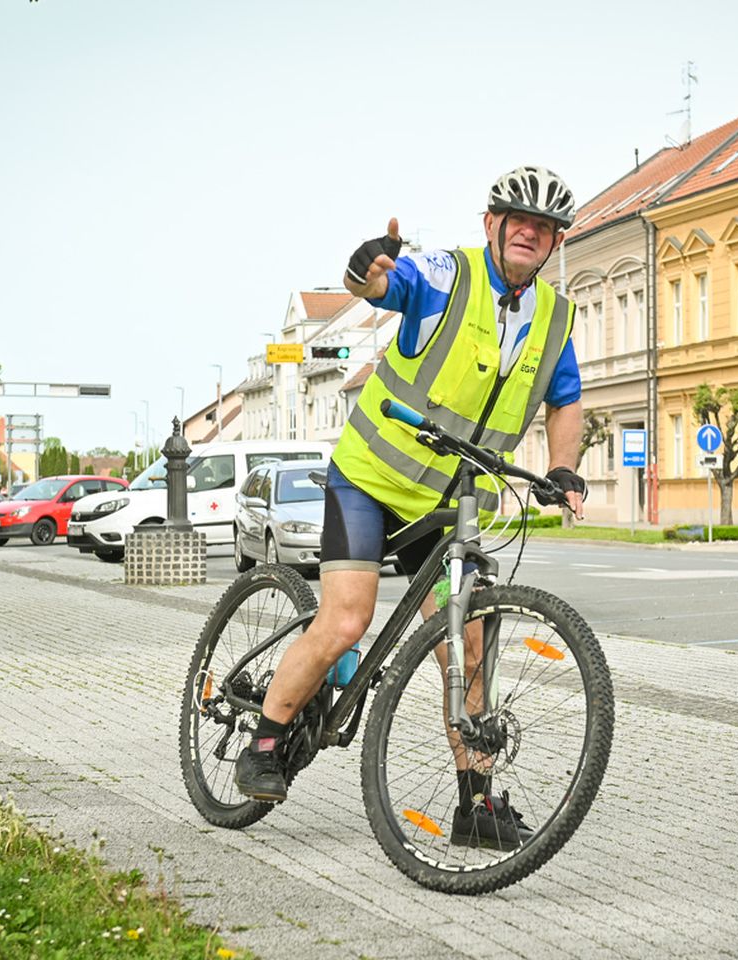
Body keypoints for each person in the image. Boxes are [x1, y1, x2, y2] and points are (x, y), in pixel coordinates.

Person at [234, 166, 588, 849]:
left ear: (552, 243)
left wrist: (563, 465)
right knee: (345, 620)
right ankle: (267, 740)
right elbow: (384, 284)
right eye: (517, 220)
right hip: (369, 479)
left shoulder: (553, 316)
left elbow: (564, 397)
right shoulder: (445, 275)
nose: (528, 232)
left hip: (449, 502)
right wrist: (367, 271)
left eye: (542, 227)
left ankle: (475, 804)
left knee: (470, 643)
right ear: (491, 225)